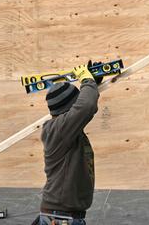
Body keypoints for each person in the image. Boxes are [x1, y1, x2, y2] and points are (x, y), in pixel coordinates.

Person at [32, 62, 102, 225]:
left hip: (64, 215)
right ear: (69, 109)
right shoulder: (59, 130)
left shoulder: (64, 128)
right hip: (61, 218)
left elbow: (82, 107)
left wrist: (93, 84)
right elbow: (86, 106)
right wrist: (86, 80)